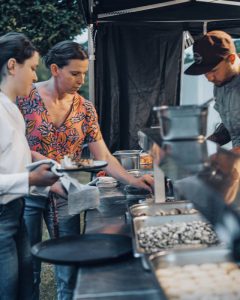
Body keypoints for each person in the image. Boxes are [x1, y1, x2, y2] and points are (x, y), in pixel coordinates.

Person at [17, 40, 154, 300]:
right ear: (55, 69)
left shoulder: (85, 108)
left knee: (69, 267)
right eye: (75, 73)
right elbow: (14, 150)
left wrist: (133, 181)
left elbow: (102, 155)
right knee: (28, 270)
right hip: (28, 192)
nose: (81, 79)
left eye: (84, 73)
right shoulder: (24, 98)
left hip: (66, 195)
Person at [0, 32, 59, 300]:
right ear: (12, 66)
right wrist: (31, 180)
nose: (36, 77)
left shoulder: (10, 108)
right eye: (33, 68)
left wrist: (32, 155)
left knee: (26, 289)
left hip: (15, 211)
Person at [185, 30, 240, 147]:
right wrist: (204, 145)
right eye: (205, 72)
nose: (209, 78)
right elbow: (232, 127)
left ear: (231, 59)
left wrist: (227, 158)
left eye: (213, 70)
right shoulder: (220, 84)